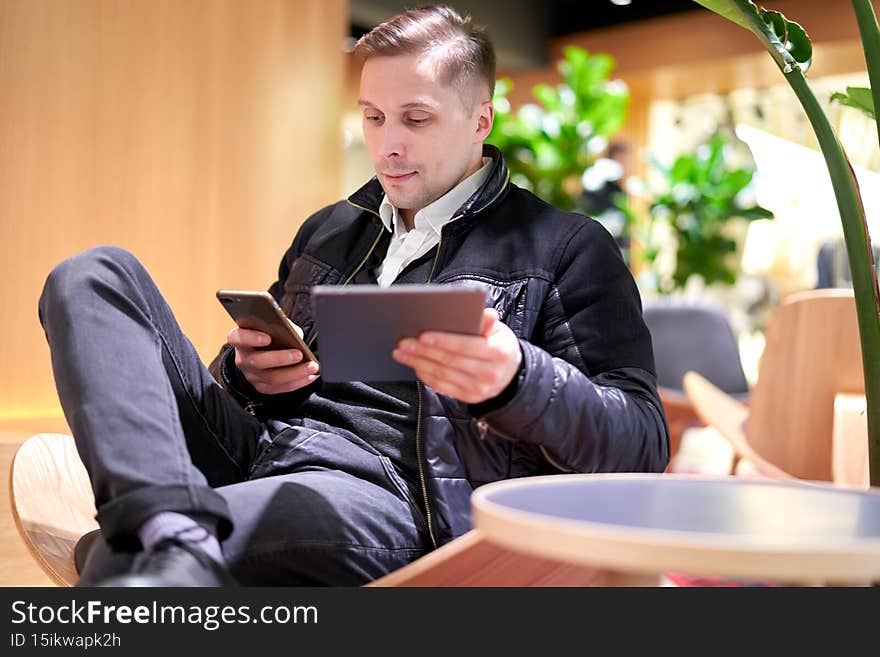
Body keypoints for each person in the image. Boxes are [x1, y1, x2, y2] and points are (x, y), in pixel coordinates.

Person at [37, 5, 669, 587]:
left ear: (482, 119)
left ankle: (156, 541)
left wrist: (518, 379)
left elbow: (641, 443)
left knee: (121, 558)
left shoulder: (566, 247)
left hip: (394, 497)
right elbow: (238, 389)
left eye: (415, 119)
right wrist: (250, 375)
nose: (386, 144)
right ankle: (169, 529)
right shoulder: (331, 229)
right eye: (372, 116)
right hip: (266, 451)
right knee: (92, 275)